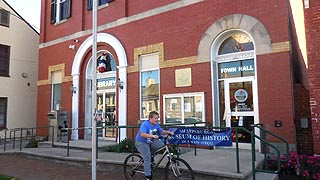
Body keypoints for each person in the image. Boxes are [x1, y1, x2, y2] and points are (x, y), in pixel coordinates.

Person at [135, 111, 174, 180]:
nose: (157, 120)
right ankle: (148, 176)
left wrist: (169, 132)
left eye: (157, 118)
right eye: (155, 118)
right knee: (147, 158)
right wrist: (152, 136)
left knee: (162, 146)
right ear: (150, 118)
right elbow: (142, 134)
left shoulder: (156, 125)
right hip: (141, 142)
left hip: (150, 141)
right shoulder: (145, 124)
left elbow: (161, 131)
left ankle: (152, 156)